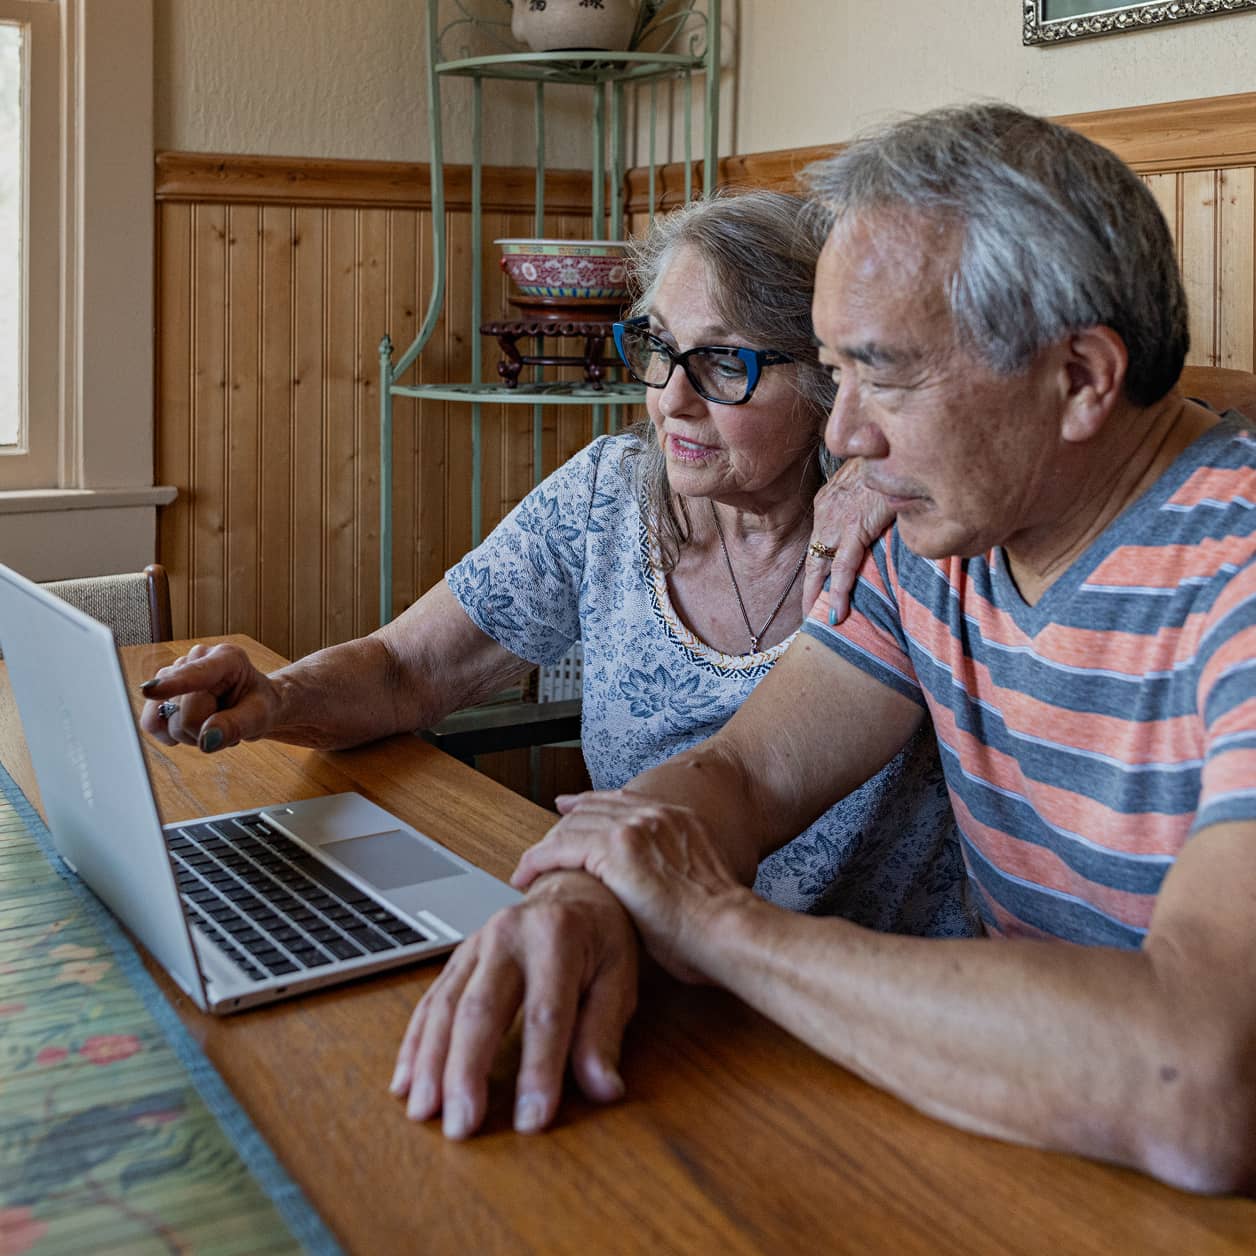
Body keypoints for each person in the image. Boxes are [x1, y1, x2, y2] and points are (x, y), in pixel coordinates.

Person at [390, 103, 1256, 1196]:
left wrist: (718, 926)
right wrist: (586, 897)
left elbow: (1201, 1089)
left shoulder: (1228, 566)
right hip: (1009, 1128)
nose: (843, 438)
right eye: (835, 373)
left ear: (1080, 376)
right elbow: (744, 773)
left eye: (882, 376)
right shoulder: (941, 530)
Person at [138, 194, 973, 928]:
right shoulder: (609, 495)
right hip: (640, 941)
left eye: (725, 363)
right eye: (659, 347)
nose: (670, 399)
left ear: (833, 378)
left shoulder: (902, 529)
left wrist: (895, 463)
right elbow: (406, 668)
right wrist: (279, 697)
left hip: (856, 992)